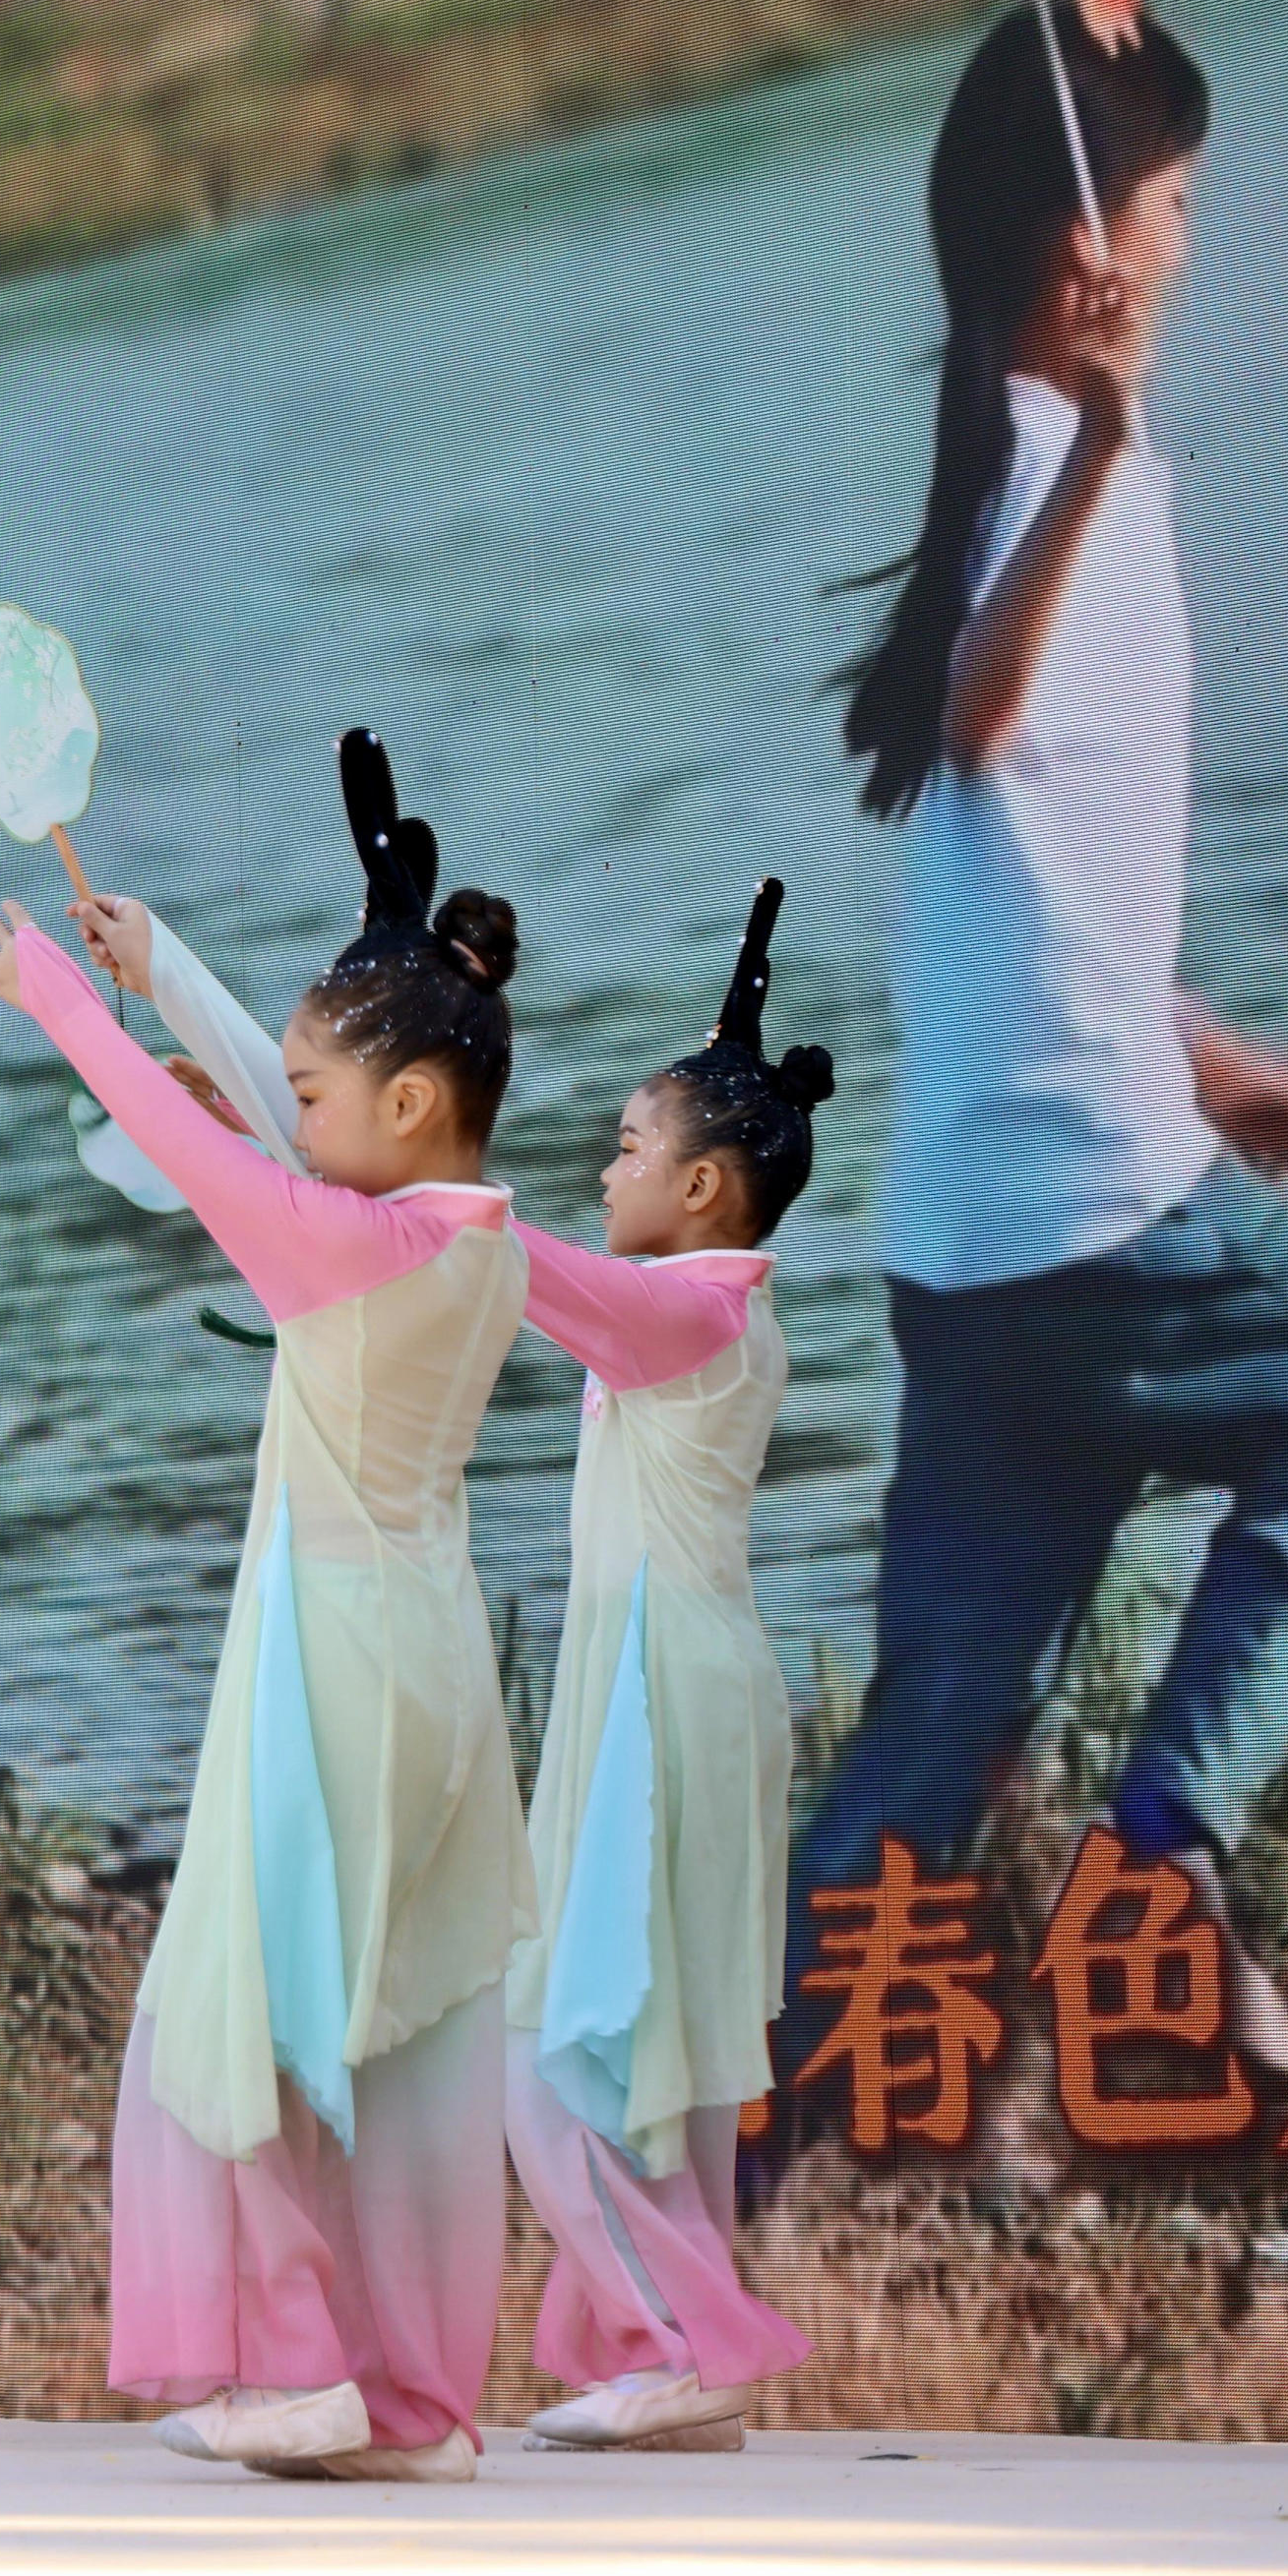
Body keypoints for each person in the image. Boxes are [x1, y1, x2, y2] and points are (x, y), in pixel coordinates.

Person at [782, 0, 1288, 2131]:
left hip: (972, 1257)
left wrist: (1226, 1072)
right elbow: (986, 721)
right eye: (1177, 200)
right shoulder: (1055, 483)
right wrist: (1105, 447)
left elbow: (1048, 911)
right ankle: (1168, 1868)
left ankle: (709, 2184)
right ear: (1091, 249)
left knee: (927, 1755)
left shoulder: (1002, 490)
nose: (1195, 237)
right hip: (1093, 1229)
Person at [0, 733, 529, 2486]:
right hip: (432, 1671)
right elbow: (284, 1136)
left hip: (332, 1678)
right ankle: (407, 2399)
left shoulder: (342, 1248)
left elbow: (217, 1161)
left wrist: (69, 1007)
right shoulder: (478, 1235)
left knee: (246, 2013)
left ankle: (294, 2367)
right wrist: (164, 969)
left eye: (310, 1095)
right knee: (397, 2045)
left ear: (409, 1104)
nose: (284, 1117)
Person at [498, 889, 828, 2446]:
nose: (603, 1168)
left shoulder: (678, 1318)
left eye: (628, 1148)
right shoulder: (707, 1311)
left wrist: (360, 1157)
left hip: (658, 1690)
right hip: (683, 1673)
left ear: (700, 1189)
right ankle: (684, 2357)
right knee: (663, 2040)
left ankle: (682, 2339)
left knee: (545, 2048)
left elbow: (480, 1245)